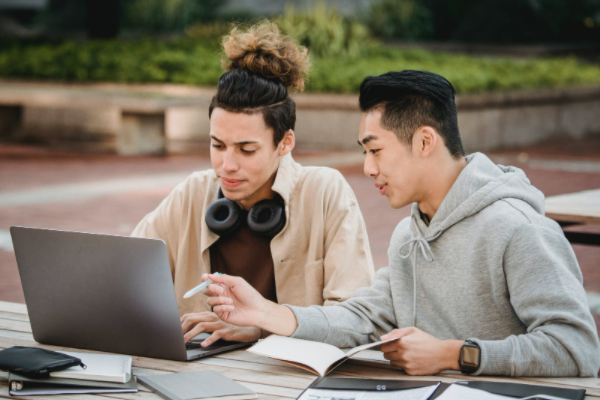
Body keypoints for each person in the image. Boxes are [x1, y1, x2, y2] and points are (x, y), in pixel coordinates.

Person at [201, 70, 600, 377]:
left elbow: (577, 348)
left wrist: (454, 353)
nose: (368, 167)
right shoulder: (409, 236)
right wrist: (265, 313)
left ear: (424, 142)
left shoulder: (519, 230)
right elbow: (360, 318)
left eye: (375, 150)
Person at [132, 23, 374, 347]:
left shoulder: (325, 193)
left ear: (285, 143)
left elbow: (357, 324)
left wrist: (261, 327)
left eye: (247, 149)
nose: (227, 165)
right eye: (218, 145)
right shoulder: (193, 193)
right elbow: (124, 275)